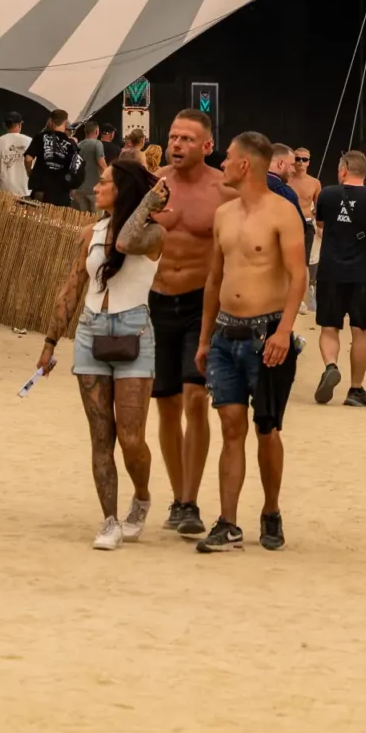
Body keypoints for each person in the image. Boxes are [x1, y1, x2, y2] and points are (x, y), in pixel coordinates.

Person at [37, 159, 160, 550]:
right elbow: (72, 284)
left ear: (122, 190)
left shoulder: (153, 232)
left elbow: (126, 243)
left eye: (105, 182)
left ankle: (141, 496)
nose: (96, 187)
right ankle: (109, 519)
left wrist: (146, 204)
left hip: (133, 329)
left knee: (131, 437)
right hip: (92, 329)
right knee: (101, 435)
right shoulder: (90, 232)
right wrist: (51, 341)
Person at [195, 131, 307, 552]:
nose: (222, 163)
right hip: (226, 334)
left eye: (227, 157)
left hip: (267, 335)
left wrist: (284, 331)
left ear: (245, 165)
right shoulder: (224, 214)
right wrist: (205, 339)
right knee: (230, 426)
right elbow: (214, 279)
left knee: (266, 428)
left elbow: (298, 275)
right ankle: (228, 522)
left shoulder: (283, 212)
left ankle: (271, 510)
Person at [138, 110, 218, 537]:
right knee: (166, 403)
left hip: (199, 304)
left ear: (207, 146)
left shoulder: (222, 190)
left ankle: (190, 499)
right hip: (156, 301)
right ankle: (177, 497)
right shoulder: (155, 185)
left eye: (187, 138)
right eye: (173, 137)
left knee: (195, 398)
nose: (177, 144)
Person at [310, 150, 366, 406]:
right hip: (363, 274)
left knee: (329, 327)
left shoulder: (327, 194)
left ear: (344, 169)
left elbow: (320, 224)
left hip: (331, 271)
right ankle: (356, 390)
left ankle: (331, 366)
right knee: (360, 331)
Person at [27, 109, 83, 207]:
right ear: (65, 123)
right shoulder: (71, 144)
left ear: (50, 122)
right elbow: (75, 168)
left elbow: (28, 159)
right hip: (61, 195)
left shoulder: (40, 137)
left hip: (41, 191)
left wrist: (29, 172)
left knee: (37, 216)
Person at [0, 112, 32, 199]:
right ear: (20, 124)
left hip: (3, 194)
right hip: (26, 192)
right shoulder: (30, 141)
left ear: (5, 125)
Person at [76, 120, 105, 207]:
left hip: (79, 189)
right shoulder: (97, 144)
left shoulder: (78, 145)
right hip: (94, 189)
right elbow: (101, 164)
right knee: (96, 215)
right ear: (97, 131)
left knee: (82, 215)